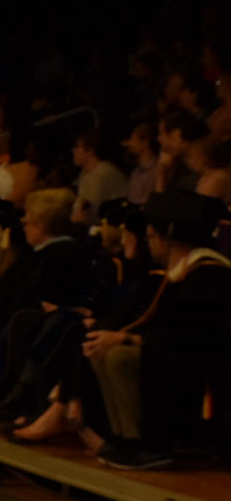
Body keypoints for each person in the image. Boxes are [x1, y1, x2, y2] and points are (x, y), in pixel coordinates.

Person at [87, 191, 231, 470]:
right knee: (102, 348)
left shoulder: (211, 274)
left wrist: (128, 338)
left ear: (167, 237)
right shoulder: (181, 273)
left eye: (151, 237)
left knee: (119, 355)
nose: (149, 245)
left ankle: (151, 445)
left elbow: (192, 335)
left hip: (205, 362)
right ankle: (125, 438)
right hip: (177, 352)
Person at [70, 130, 127, 224]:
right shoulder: (85, 174)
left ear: (90, 151)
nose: (73, 151)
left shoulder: (102, 173)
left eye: (77, 147)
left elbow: (92, 212)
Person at [121, 122, 158, 204]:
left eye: (133, 140)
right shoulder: (137, 170)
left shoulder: (155, 170)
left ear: (145, 142)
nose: (129, 143)